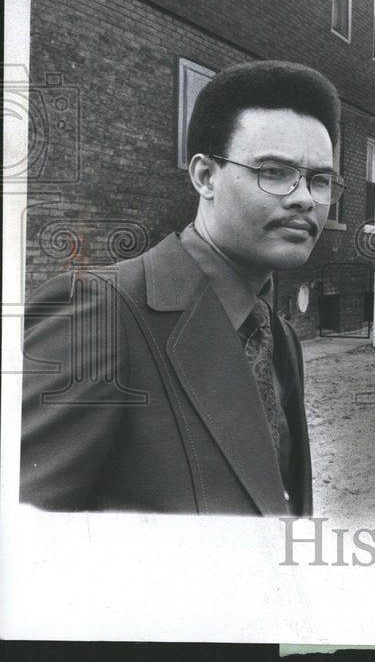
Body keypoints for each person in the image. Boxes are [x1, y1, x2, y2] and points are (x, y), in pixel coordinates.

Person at [20, 60, 342, 515]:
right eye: (273, 171)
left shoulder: (279, 336)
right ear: (205, 177)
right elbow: (19, 542)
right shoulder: (99, 315)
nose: (305, 198)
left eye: (320, 180)